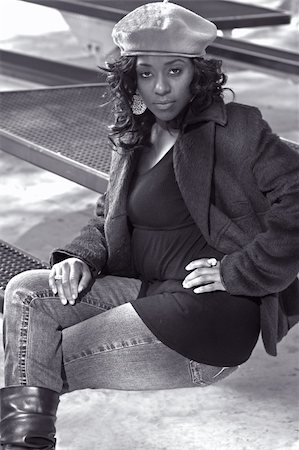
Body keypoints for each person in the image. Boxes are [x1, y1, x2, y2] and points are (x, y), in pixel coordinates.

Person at [1, 1, 299, 448]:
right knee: (25, 293)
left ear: (198, 74)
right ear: (130, 76)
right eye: (145, 72)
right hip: (143, 289)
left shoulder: (235, 128)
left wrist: (242, 269)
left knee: (29, 358)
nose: (160, 87)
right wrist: (79, 257)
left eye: (174, 71)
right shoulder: (135, 132)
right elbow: (109, 212)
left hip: (203, 318)